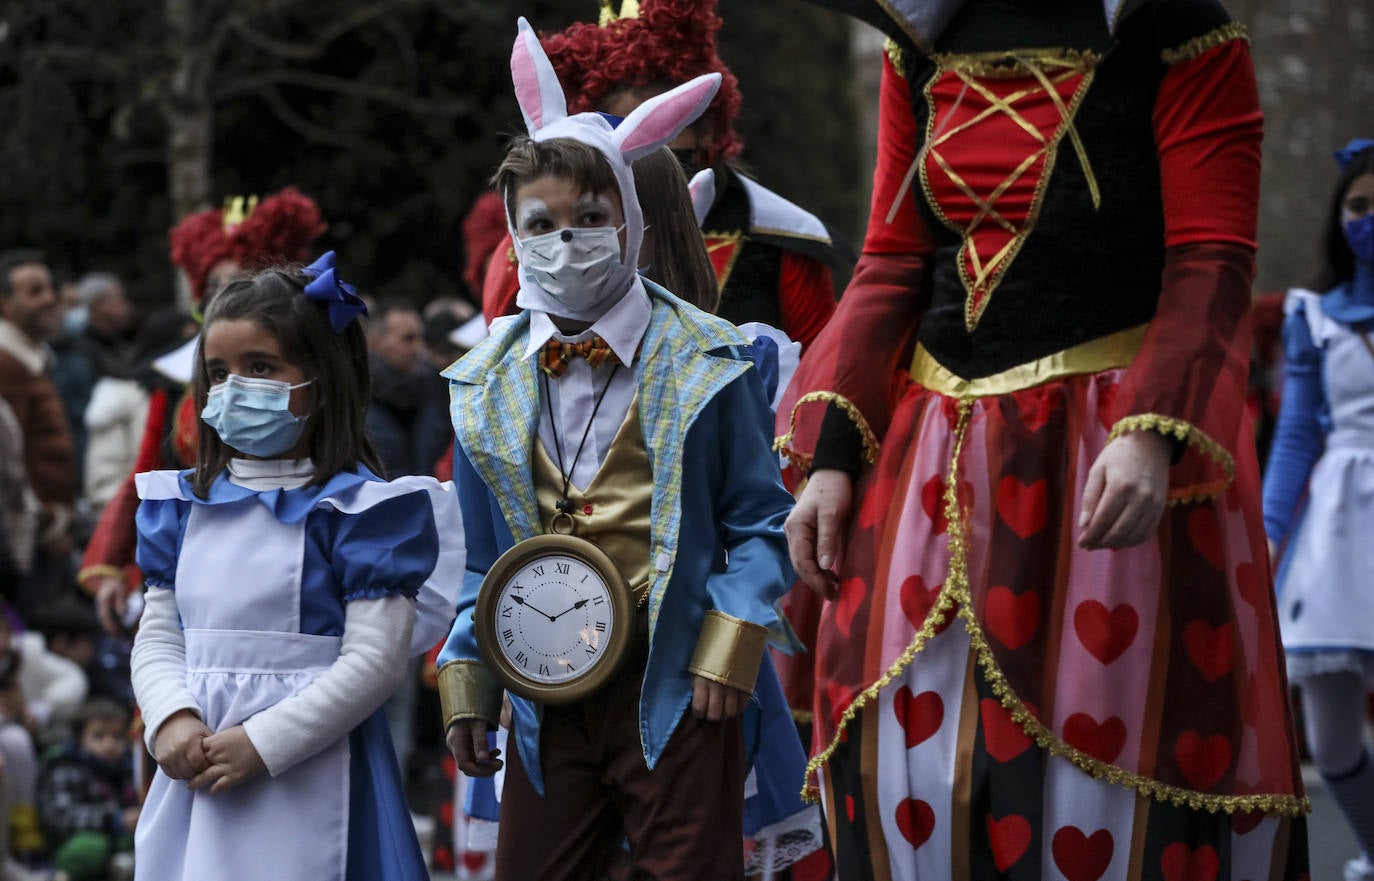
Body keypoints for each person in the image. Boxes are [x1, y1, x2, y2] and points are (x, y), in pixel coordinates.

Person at [778, 0, 1309, 878]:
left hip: (1108, 449)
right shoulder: (920, 37)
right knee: (912, 767)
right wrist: (832, 456)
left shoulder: (1176, 24)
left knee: (1111, 766)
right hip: (928, 458)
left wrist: (1151, 431)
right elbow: (892, 258)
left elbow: (1211, 255)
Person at [437, 22, 794, 880]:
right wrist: (466, 680)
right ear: (515, 235)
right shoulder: (480, 385)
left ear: (629, 221)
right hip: (544, 694)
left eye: (590, 217)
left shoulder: (709, 359)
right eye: (543, 223)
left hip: (672, 688)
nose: (568, 240)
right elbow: (484, 562)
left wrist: (731, 642)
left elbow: (758, 518)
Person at [128, 254, 464, 881]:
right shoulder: (178, 508)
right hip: (194, 771)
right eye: (218, 372)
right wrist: (170, 716)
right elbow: (158, 631)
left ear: (322, 376)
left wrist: (264, 743)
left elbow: (375, 660)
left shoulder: (363, 513)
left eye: (260, 367)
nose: (233, 388)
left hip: (316, 765)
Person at [477, 0, 847, 352]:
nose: (643, 151)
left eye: (662, 129)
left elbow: (819, 370)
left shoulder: (779, 237)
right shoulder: (533, 239)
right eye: (619, 128)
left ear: (705, 127)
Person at [79, 190, 326, 634]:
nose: (225, 297)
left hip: (299, 548)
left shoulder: (312, 374)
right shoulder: (176, 379)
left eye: (242, 282)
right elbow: (144, 476)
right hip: (193, 550)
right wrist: (111, 564)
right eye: (215, 287)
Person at [1263, 138, 1374, 881]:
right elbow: (1298, 431)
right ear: (1338, 218)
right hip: (1338, 527)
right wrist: (1268, 533)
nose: (1370, 219)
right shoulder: (1310, 312)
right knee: (1330, 734)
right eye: (1360, 205)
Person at [0, 250, 77, 615]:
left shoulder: (30, 355)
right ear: (5, 303)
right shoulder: (4, 362)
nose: (49, 299)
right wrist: (46, 524)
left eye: (49, 288)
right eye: (34, 291)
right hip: (28, 545)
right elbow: (9, 460)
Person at [35, 697, 139, 881]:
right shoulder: (64, 766)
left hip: (118, 837)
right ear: (79, 738)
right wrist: (114, 819)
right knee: (89, 849)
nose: (109, 744)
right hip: (75, 842)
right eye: (98, 736)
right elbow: (60, 817)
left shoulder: (127, 766)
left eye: (117, 736)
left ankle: (123, 864)